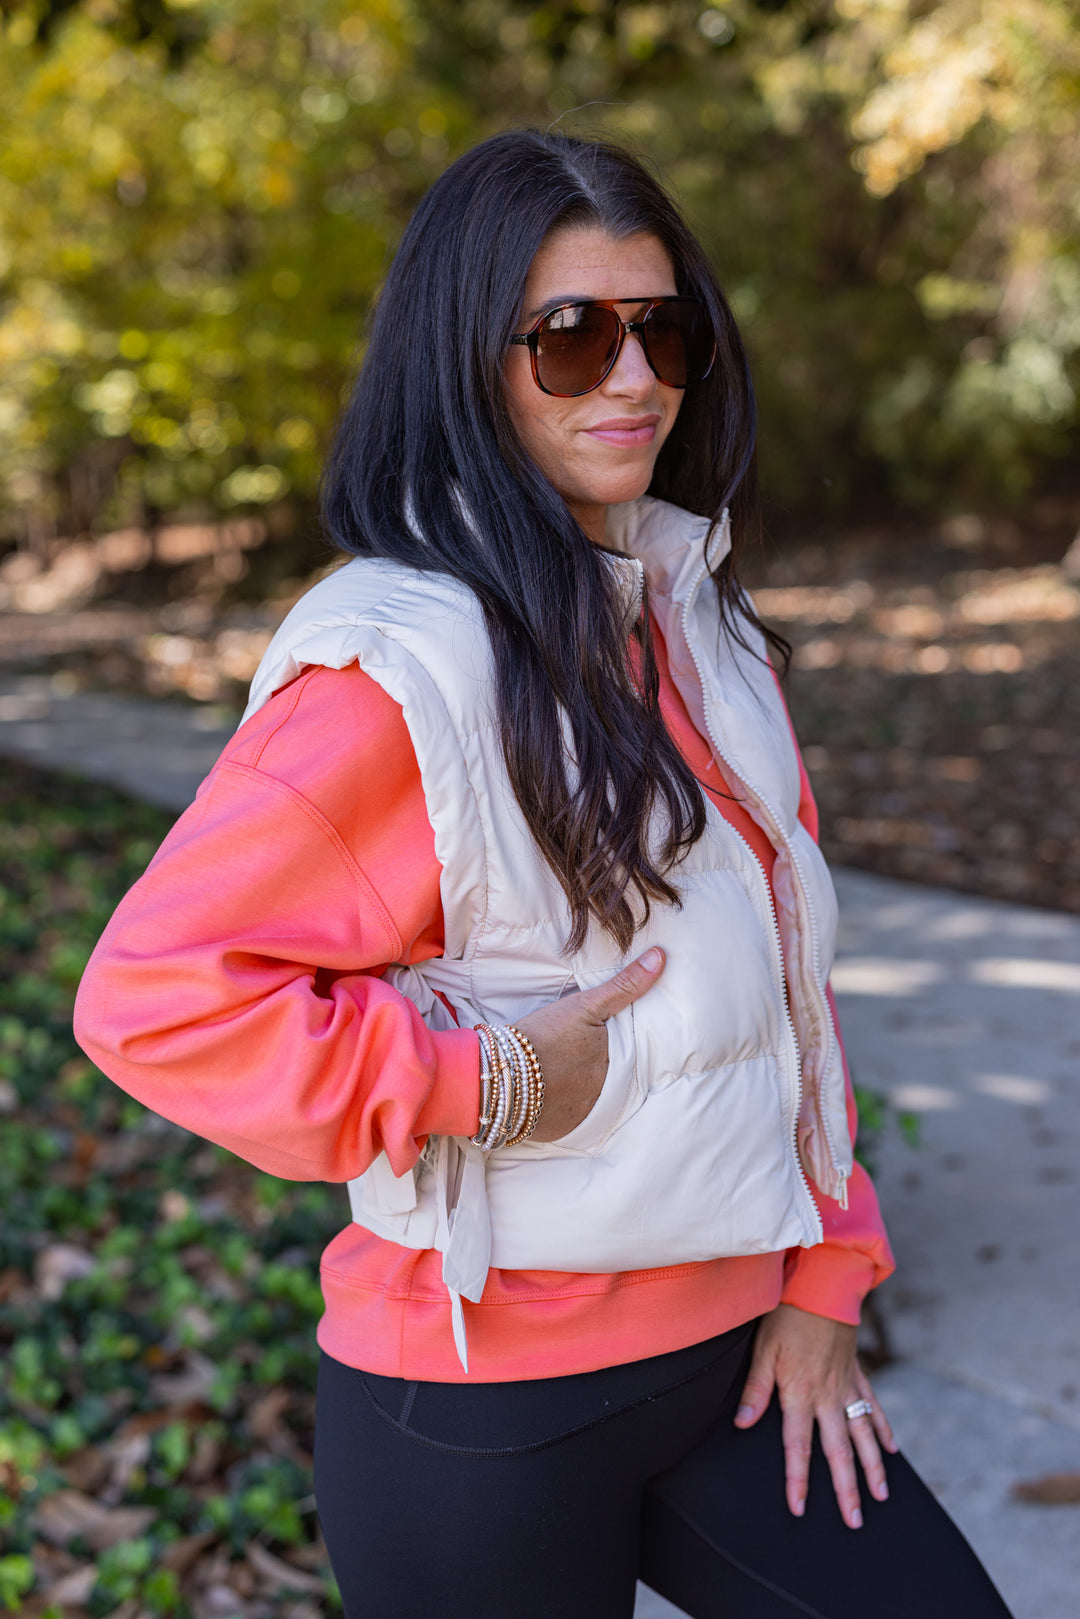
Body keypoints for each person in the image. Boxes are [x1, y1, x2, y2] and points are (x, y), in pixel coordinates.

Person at [74, 130, 1013, 1618]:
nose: (634, 377)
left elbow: (789, 982)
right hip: (479, 1406)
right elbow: (157, 1000)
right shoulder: (399, 667)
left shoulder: (702, 621)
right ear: (468, 361)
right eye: (572, 338)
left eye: (665, 329)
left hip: (740, 1363)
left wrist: (830, 1281)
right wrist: (482, 1080)